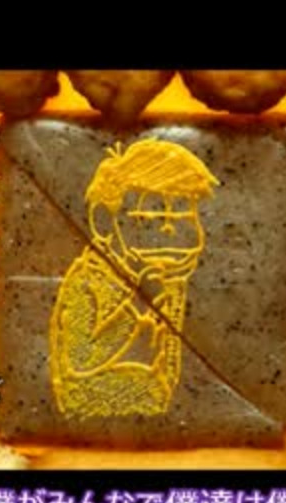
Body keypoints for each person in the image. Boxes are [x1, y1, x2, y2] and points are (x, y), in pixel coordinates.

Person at [49, 139, 219, 418]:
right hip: (91, 408)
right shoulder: (90, 281)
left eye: (184, 215)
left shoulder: (168, 280)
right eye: (151, 215)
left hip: (160, 409)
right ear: (104, 221)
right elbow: (81, 358)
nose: (170, 230)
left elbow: (171, 358)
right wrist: (140, 303)